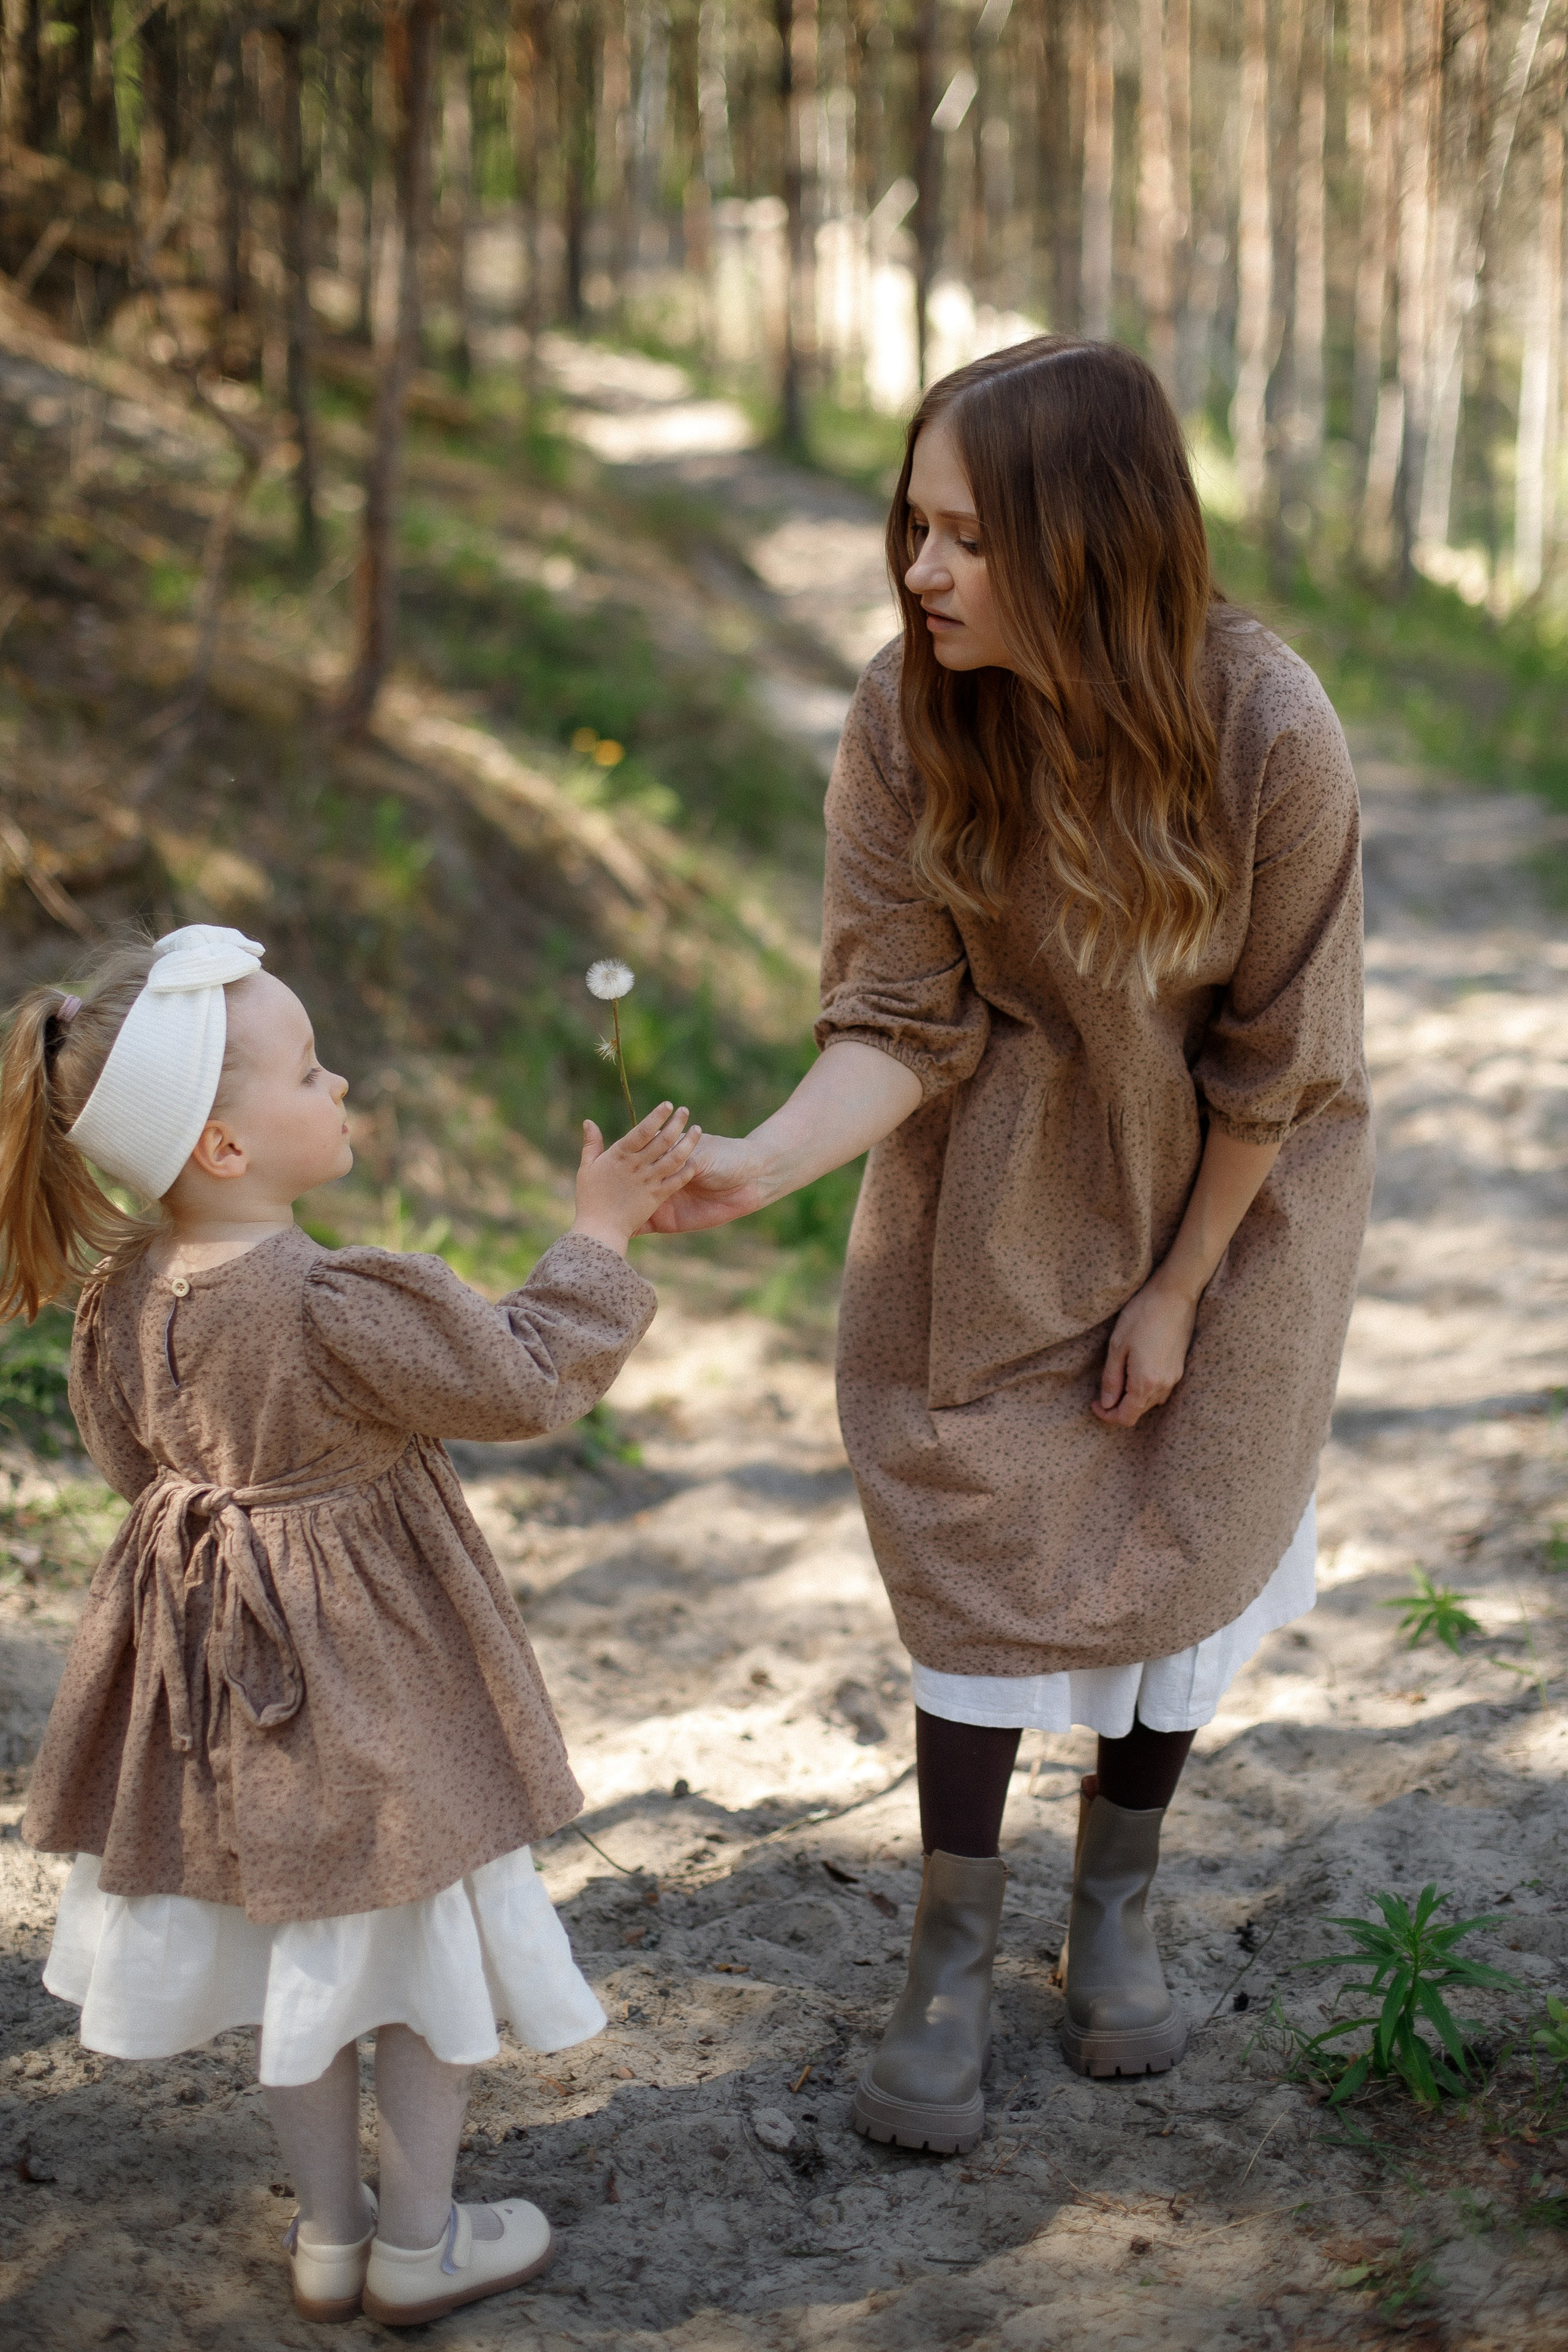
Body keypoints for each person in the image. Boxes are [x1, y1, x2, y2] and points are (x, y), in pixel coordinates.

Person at [649, 338, 1373, 2150]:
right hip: (990, 1188)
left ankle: (1113, 1905)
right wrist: (759, 1162)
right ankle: (949, 1956)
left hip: (1232, 1188)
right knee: (972, 1522)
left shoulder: (1268, 728)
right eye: (914, 524)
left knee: (1187, 1515)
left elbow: (1281, 1054)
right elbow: (897, 1012)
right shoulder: (909, 717)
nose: (922, 569)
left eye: (967, 536)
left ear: (1089, 537)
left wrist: (1181, 1290)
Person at [5, 924, 699, 2324]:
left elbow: (130, 1466)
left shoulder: (117, 1299)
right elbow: (519, 1380)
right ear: (221, 1146)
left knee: (297, 1955)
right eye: (309, 1070)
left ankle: (331, 2238)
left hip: (209, 1681)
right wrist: (599, 1233)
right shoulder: (329, 1299)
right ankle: (421, 2242)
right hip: (372, 1680)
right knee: (411, 1936)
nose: (338, 1086)